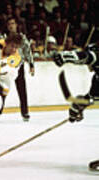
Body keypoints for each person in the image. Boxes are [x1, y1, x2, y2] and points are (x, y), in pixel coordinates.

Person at [53, 38, 99, 171]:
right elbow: (88, 99)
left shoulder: (96, 55)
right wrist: (75, 110)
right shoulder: (97, 78)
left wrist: (64, 56)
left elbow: (86, 57)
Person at [3, 17, 35, 121]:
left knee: (22, 90)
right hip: (6, 65)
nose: (11, 26)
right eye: (9, 24)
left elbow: (27, 50)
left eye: (13, 23)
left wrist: (31, 64)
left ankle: (25, 112)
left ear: (16, 25)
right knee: (1, 89)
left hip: (18, 66)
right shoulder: (4, 37)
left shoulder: (22, 37)